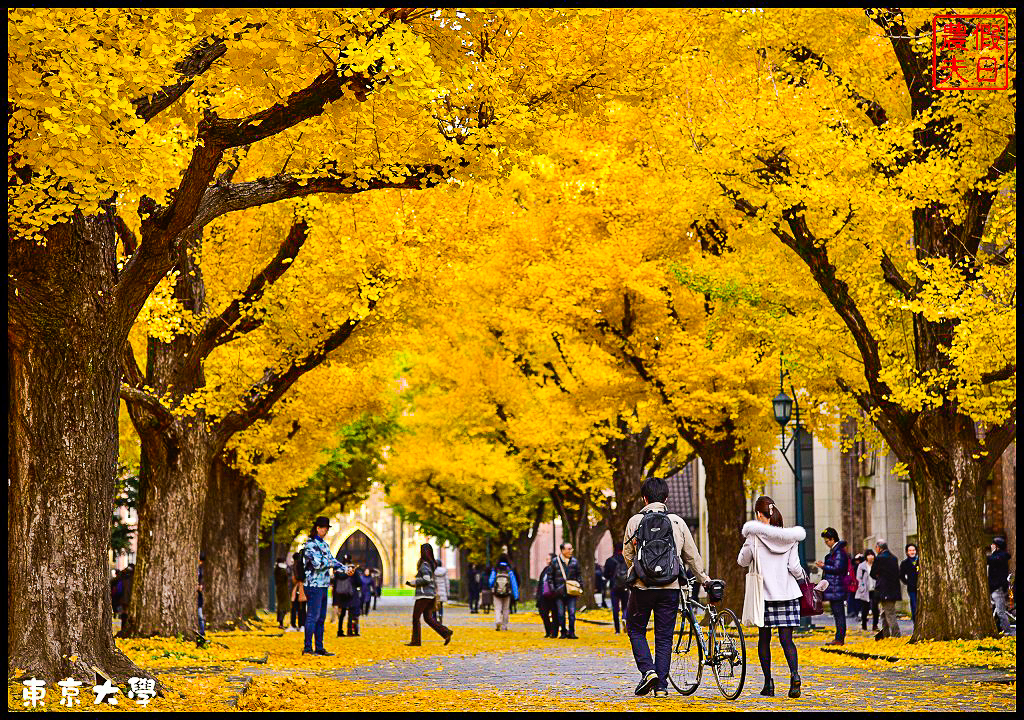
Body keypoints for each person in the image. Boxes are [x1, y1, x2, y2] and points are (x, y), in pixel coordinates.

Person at [624, 476, 712, 699]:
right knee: (664, 637)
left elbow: (627, 554)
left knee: (635, 629)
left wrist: (640, 571)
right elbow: (691, 556)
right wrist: (704, 580)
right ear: (666, 497)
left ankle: (648, 670)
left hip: (641, 588)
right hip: (671, 587)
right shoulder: (677, 522)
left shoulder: (634, 521)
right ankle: (661, 687)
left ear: (644, 498)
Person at [738, 495, 806, 699]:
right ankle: (794, 676)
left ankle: (768, 683)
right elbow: (794, 567)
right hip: (787, 593)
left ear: (759, 514)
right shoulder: (790, 537)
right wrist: (803, 578)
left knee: (764, 640)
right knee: (787, 641)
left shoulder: (753, 537)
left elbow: (742, 561)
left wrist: (747, 547)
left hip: (765, 596)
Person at [303, 516, 346, 655]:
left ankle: (319, 647)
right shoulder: (310, 545)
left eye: (327, 528)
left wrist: (346, 569)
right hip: (313, 585)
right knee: (312, 617)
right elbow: (317, 564)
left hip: (323, 585)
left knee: (321, 618)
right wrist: (331, 563)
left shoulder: (324, 545)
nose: (326, 531)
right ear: (318, 528)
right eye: (324, 528)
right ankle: (308, 648)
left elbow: (331, 560)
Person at [406, 543, 453, 646]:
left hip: (424, 595)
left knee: (415, 617)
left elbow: (426, 579)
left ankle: (416, 641)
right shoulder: (431, 564)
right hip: (430, 594)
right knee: (428, 618)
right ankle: (445, 632)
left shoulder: (424, 564)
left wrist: (413, 582)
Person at [815, 527, 849, 646]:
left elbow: (838, 569)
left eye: (827, 541)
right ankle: (839, 637)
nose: (826, 543)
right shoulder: (836, 552)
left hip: (836, 587)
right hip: (835, 587)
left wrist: (824, 566)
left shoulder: (838, 552)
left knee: (839, 613)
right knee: (837, 613)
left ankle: (839, 638)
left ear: (832, 539)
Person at [549, 543, 582, 640]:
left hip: (571, 592)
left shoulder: (575, 562)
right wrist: (553, 590)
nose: (571, 551)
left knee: (572, 613)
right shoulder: (555, 561)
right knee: (560, 614)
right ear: (562, 550)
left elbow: (579, 576)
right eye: (568, 549)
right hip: (559, 592)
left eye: (571, 549)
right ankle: (563, 631)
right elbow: (550, 577)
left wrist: (580, 587)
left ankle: (572, 632)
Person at [870, 539, 901, 640]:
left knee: (889, 613)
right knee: (885, 613)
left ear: (879, 548)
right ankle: (885, 633)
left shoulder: (879, 558)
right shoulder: (894, 558)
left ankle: (896, 635)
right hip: (894, 589)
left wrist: (879, 576)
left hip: (884, 590)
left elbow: (873, 573)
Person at [604, 543, 630, 634]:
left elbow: (605, 575)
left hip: (614, 586)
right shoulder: (626, 559)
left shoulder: (610, 560)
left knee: (615, 608)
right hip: (625, 587)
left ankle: (617, 630)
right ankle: (624, 618)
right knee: (625, 606)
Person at [489, 554, 520, 631]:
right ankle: (504, 626)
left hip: (496, 593)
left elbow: (490, 581)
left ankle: (498, 620)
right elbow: (514, 583)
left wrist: (492, 587)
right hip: (507, 593)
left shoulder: (495, 569)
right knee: (506, 609)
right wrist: (516, 595)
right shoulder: (509, 570)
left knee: (497, 608)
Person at [988, 537, 1012, 633]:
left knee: (1000, 611)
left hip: (998, 588)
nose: (991, 546)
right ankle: (999, 628)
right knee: (996, 610)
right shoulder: (997, 556)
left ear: (997, 547)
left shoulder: (1000, 556)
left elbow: (991, 560)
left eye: (993, 544)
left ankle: (1008, 631)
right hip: (994, 588)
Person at [334, 554, 356, 636]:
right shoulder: (352, 569)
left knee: (342, 613)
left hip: (340, 593)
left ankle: (340, 630)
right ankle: (350, 630)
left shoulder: (338, 569)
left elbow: (335, 581)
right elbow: (357, 581)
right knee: (351, 612)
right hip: (349, 593)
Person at [856, 550, 878, 631]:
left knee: (875, 608)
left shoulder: (876, 565)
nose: (870, 557)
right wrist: (861, 587)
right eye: (868, 555)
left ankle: (875, 625)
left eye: (872, 555)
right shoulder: (862, 566)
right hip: (865, 589)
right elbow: (858, 578)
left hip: (875, 589)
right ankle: (864, 624)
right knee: (865, 608)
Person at [537, 555, 558, 638]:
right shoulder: (545, 570)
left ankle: (554, 632)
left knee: (555, 614)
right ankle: (549, 630)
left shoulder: (557, 569)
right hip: (544, 595)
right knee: (543, 613)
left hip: (554, 595)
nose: (547, 560)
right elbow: (540, 583)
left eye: (548, 558)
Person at [900, 544, 919, 626]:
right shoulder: (904, 563)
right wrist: (908, 582)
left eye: (913, 550)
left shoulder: (920, 561)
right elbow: (901, 575)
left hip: (922, 587)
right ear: (907, 552)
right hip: (912, 588)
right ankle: (916, 625)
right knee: (914, 606)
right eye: (910, 550)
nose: (912, 552)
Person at [289, 551, 307, 632]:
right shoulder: (302, 567)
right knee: (301, 607)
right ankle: (301, 624)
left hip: (297, 589)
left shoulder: (295, 567)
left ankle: (296, 624)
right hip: (300, 589)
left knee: (296, 607)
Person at [274, 556, 292, 628]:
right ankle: (281, 622)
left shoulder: (276, 570)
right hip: (283, 589)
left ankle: (280, 621)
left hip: (279, 589)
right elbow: (286, 578)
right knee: (284, 606)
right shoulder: (283, 570)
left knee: (281, 605)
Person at [848, 553, 865, 618]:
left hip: (857, 585)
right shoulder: (854, 567)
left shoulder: (856, 566)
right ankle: (853, 611)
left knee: (856, 599)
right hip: (854, 585)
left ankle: (855, 611)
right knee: (853, 598)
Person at [197, 552, 206, 639]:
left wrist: (200, 586)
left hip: (199, 597)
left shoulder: (200, 571)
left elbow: (202, 582)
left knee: (200, 616)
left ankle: (202, 632)